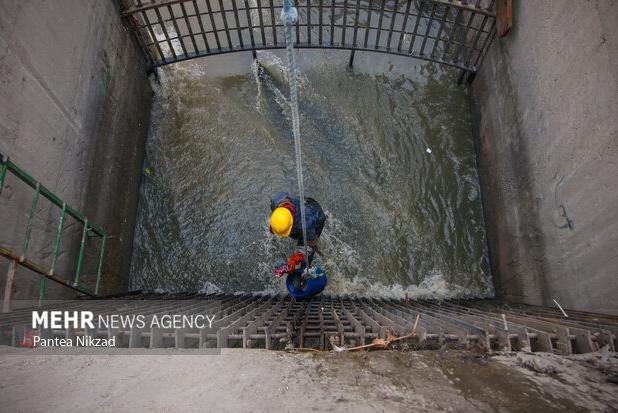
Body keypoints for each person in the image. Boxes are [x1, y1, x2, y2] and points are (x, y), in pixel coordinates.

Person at [269, 191, 326, 276]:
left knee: (308, 252)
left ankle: (307, 269)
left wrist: (293, 261)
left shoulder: (307, 224)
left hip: (316, 215)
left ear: (292, 224)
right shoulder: (277, 201)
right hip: (304, 202)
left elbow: (308, 246)